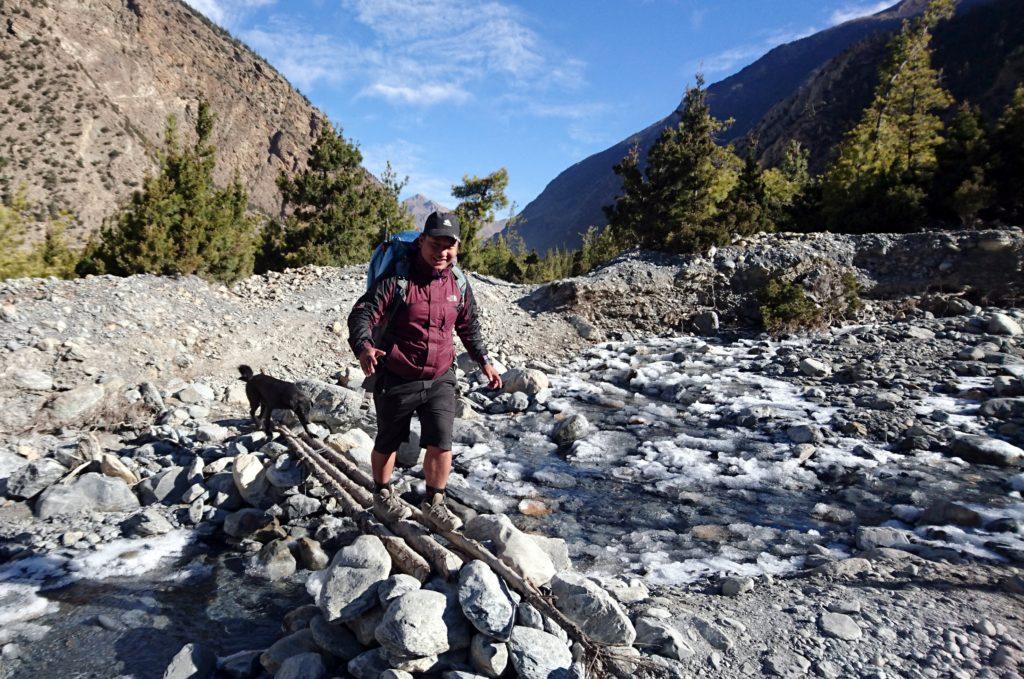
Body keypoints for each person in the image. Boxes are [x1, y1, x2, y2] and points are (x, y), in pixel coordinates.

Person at [347, 211, 502, 531]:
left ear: (457, 248)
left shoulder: (458, 284)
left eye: (450, 245)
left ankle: (435, 501)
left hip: (440, 375)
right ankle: (383, 493)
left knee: (441, 441)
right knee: (388, 441)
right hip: (397, 372)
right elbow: (362, 314)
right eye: (436, 244)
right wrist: (364, 347)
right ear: (421, 242)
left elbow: (468, 326)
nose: (442, 252)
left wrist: (484, 360)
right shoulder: (397, 281)